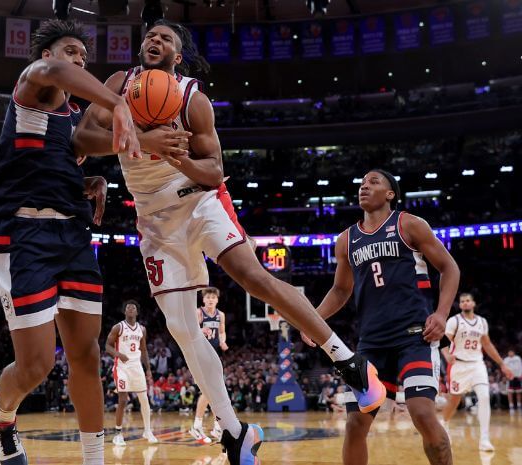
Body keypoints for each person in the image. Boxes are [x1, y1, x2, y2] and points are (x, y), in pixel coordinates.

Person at [73, 19, 385, 465]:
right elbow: (82, 139)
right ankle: (236, 433)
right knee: (182, 328)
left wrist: (174, 155)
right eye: (150, 36)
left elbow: (215, 171)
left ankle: (346, 359)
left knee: (251, 275)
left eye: (166, 39)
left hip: (199, 200)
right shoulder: (118, 85)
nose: (155, 40)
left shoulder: (192, 100)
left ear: (178, 57)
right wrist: (143, 140)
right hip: (154, 220)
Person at [0, 18, 139, 465]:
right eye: (72, 52)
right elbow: (56, 75)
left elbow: (59, 157)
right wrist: (117, 102)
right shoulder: (34, 83)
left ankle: (94, 460)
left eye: (83, 56)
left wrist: (87, 179)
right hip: (25, 234)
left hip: (72, 234)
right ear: (47, 54)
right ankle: (2, 417)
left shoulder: (72, 123)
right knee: (36, 366)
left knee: (86, 358)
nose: (79, 60)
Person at [308, 170, 461, 465]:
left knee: (422, 413)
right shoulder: (346, 239)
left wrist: (441, 315)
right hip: (372, 344)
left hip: (415, 335)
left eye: (374, 182)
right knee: (355, 424)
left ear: (390, 194)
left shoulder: (409, 224)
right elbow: (340, 291)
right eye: (362, 183)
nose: (365, 186)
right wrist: (311, 320)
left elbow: (449, 268)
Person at [440, 293, 513, 451]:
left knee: (485, 396)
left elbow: (487, 345)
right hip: (458, 365)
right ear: (460, 305)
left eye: (468, 301)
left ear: (473, 303)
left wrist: (502, 365)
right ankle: (444, 423)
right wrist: (446, 355)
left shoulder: (482, 322)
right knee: (454, 401)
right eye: (462, 301)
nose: (465, 303)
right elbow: (444, 340)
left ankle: (484, 440)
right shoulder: (454, 321)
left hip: (477, 364)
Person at [105, 300, 158, 445]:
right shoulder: (118, 327)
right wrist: (118, 354)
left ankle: (147, 431)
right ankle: (118, 433)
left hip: (137, 367)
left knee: (144, 399)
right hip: (121, 367)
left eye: (133, 307)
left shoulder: (142, 329)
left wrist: (148, 369)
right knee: (123, 399)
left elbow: (144, 350)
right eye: (128, 307)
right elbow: (107, 346)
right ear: (124, 311)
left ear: (137, 312)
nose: (130, 309)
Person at [189, 287, 227, 443]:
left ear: (217, 300)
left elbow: (222, 331)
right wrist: (200, 330)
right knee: (209, 390)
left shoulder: (220, 315)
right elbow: (190, 331)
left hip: (213, 353)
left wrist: (223, 341)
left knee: (215, 390)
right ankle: (198, 426)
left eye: (213, 297)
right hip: (200, 353)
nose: (210, 299)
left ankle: (216, 426)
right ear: (203, 300)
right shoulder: (199, 313)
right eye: (208, 297)